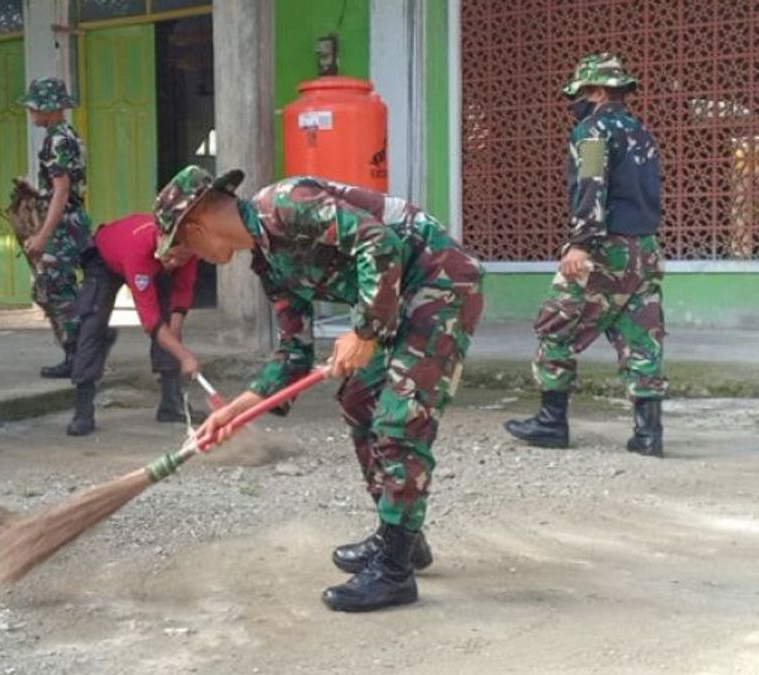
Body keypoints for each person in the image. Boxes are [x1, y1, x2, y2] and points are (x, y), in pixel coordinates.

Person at [153, 165, 484, 612]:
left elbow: (378, 242)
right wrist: (236, 411)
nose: (188, 256)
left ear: (196, 226)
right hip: (396, 300)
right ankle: (402, 537)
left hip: (439, 281)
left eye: (183, 245)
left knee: (399, 418)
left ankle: (394, 572)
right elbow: (294, 353)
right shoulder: (269, 264)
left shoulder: (286, 204)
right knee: (357, 398)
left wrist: (365, 332)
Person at [504, 53, 665, 458]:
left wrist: (581, 242)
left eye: (578, 93)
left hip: (603, 248)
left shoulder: (592, 132)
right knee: (642, 337)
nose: (574, 102)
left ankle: (551, 423)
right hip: (644, 250)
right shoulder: (641, 133)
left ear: (596, 91)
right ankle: (649, 435)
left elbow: (592, 185)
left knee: (555, 325)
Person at [65, 212, 204, 436]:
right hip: (106, 258)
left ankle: (171, 403)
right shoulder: (139, 252)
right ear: (161, 243)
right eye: (171, 257)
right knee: (94, 325)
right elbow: (149, 320)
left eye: (181, 259)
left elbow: (182, 294)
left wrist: (176, 343)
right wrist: (185, 356)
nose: (175, 264)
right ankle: (83, 411)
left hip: (150, 261)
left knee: (168, 320)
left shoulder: (188, 251)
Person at [19, 76, 92, 379]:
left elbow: (61, 191)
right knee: (60, 291)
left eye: (35, 106)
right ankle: (78, 355)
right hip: (72, 223)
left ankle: (79, 358)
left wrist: (42, 235)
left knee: (58, 292)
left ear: (50, 109)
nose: (31, 112)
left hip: (62, 227)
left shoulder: (57, 140)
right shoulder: (68, 135)